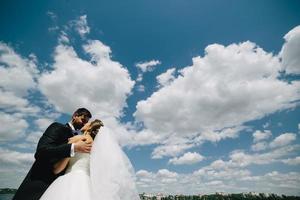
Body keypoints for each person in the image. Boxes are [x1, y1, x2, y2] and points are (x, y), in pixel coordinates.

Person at [13, 108, 92, 200]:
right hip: (40, 184)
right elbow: (41, 151)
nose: (84, 123)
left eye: (86, 122)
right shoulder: (57, 127)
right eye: (83, 120)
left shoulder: (81, 138)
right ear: (75, 116)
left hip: (64, 189)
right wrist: (73, 147)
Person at [39, 119, 104, 200]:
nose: (86, 123)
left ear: (89, 127)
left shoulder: (78, 139)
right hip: (87, 184)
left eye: (88, 122)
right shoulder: (98, 149)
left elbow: (58, 169)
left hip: (70, 180)